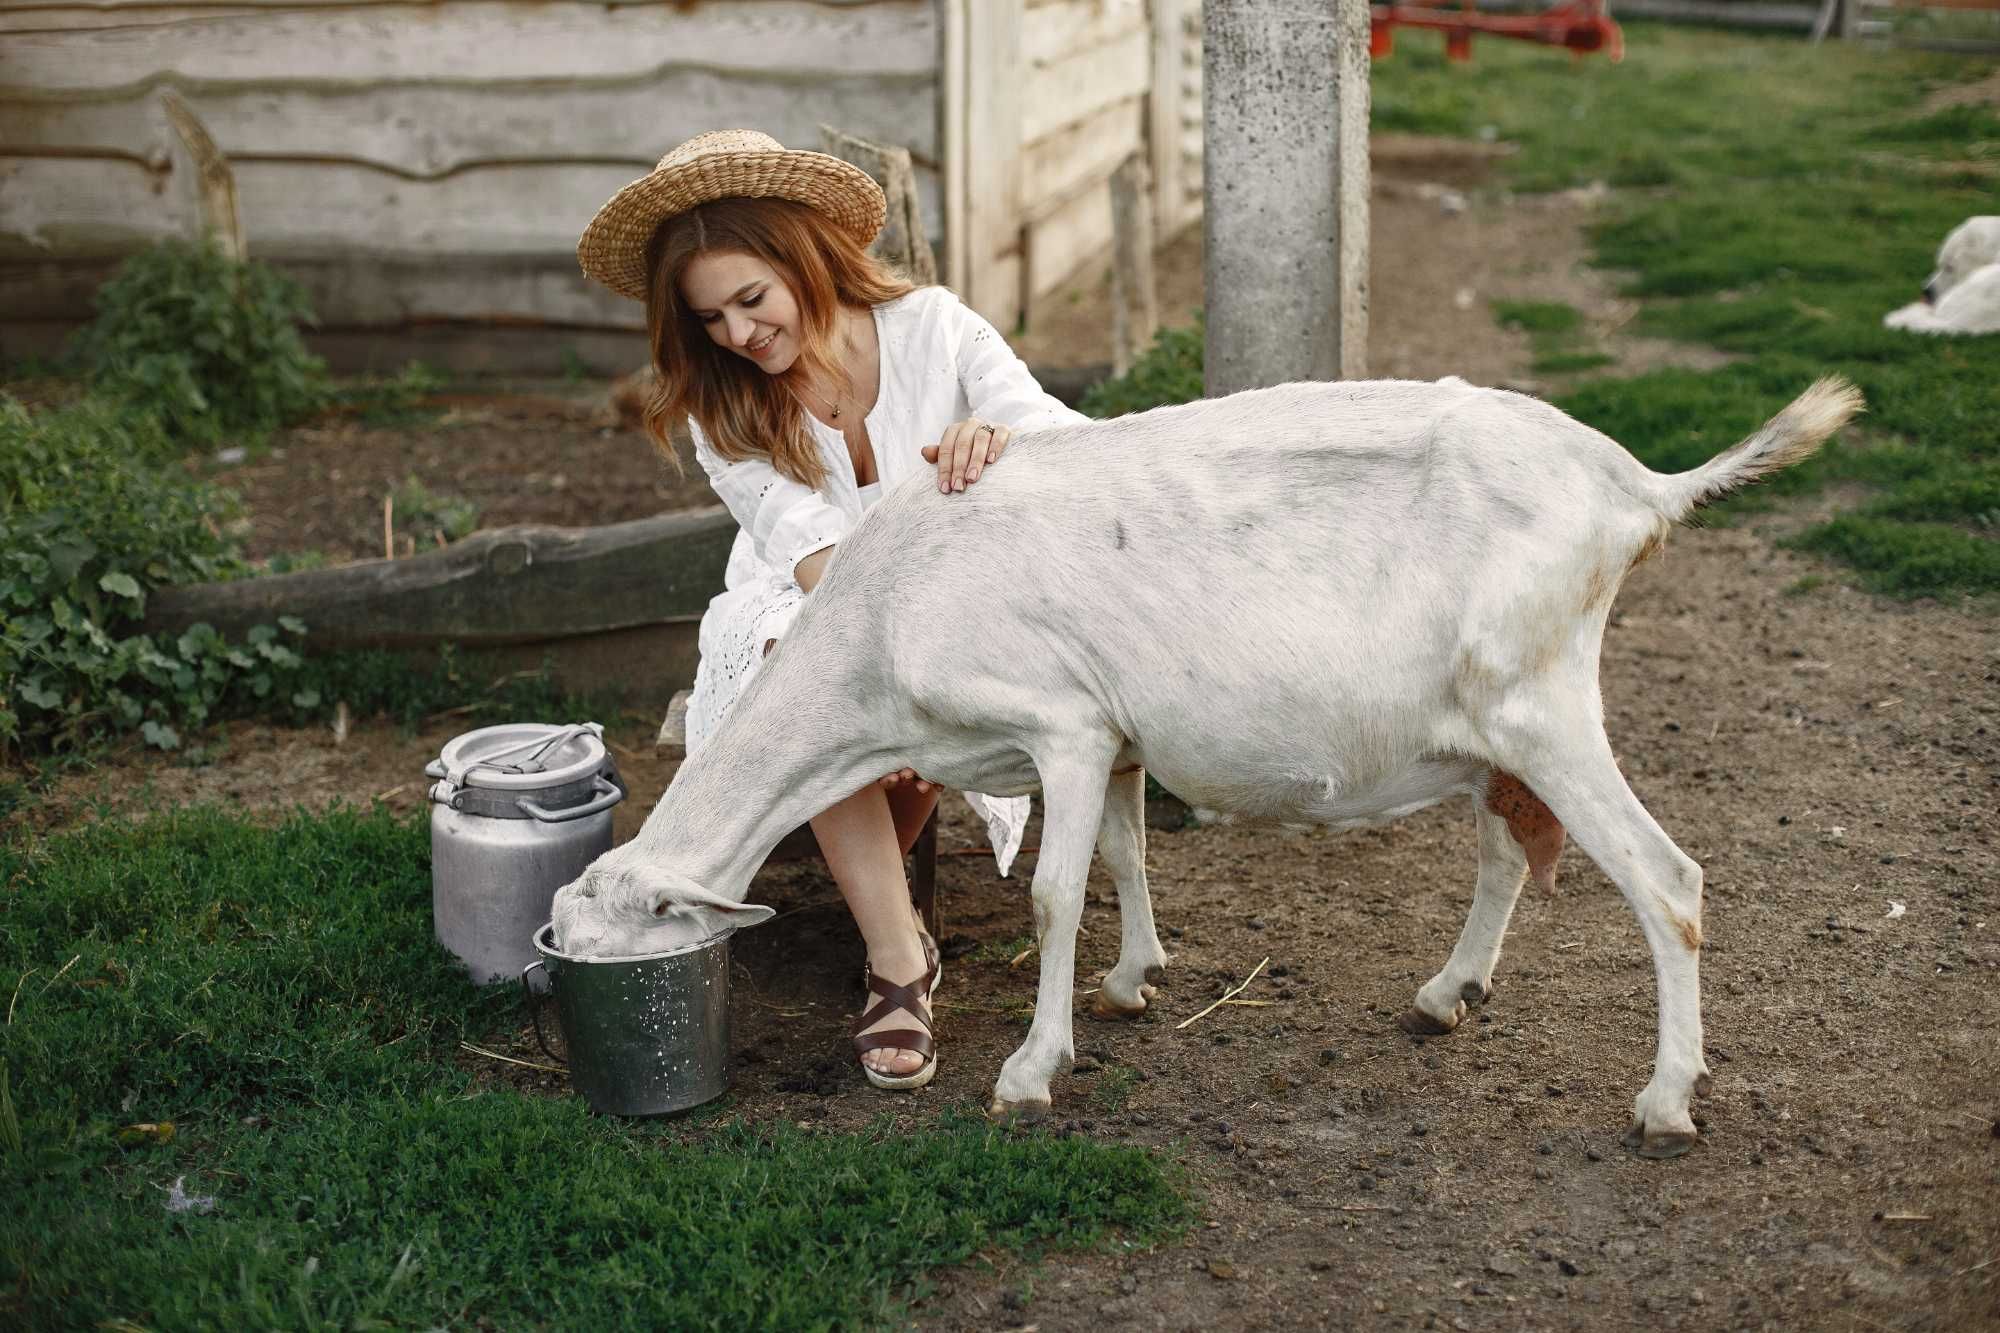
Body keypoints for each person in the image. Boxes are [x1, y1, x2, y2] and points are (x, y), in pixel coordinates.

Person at [576, 130, 1086, 1091]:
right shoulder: (722, 408)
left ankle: (854, 858)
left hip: (958, 587)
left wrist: (997, 440)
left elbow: (1058, 435)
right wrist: (888, 684)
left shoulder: (936, 328)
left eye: (750, 299)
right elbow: (811, 555)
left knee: (934, 674)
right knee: (797, 665)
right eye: (710, 317)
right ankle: (898, 956)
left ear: (803, 257)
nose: (735, 336)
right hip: (807, 595)